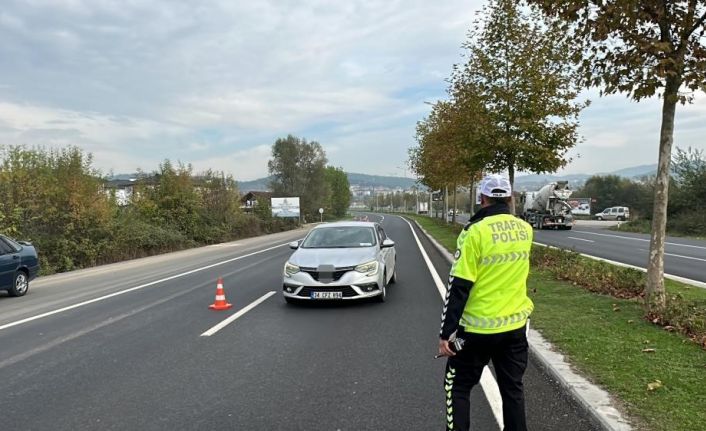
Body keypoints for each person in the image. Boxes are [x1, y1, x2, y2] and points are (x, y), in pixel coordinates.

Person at [438, 174, 534, 431]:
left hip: (476, 332)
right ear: (511, 198)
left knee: (457, 386)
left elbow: (459, 286)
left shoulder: (474, 232)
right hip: (514, 328)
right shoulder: (525, 229)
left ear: (482, 199)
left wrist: (446, 333)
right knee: (513, 390)